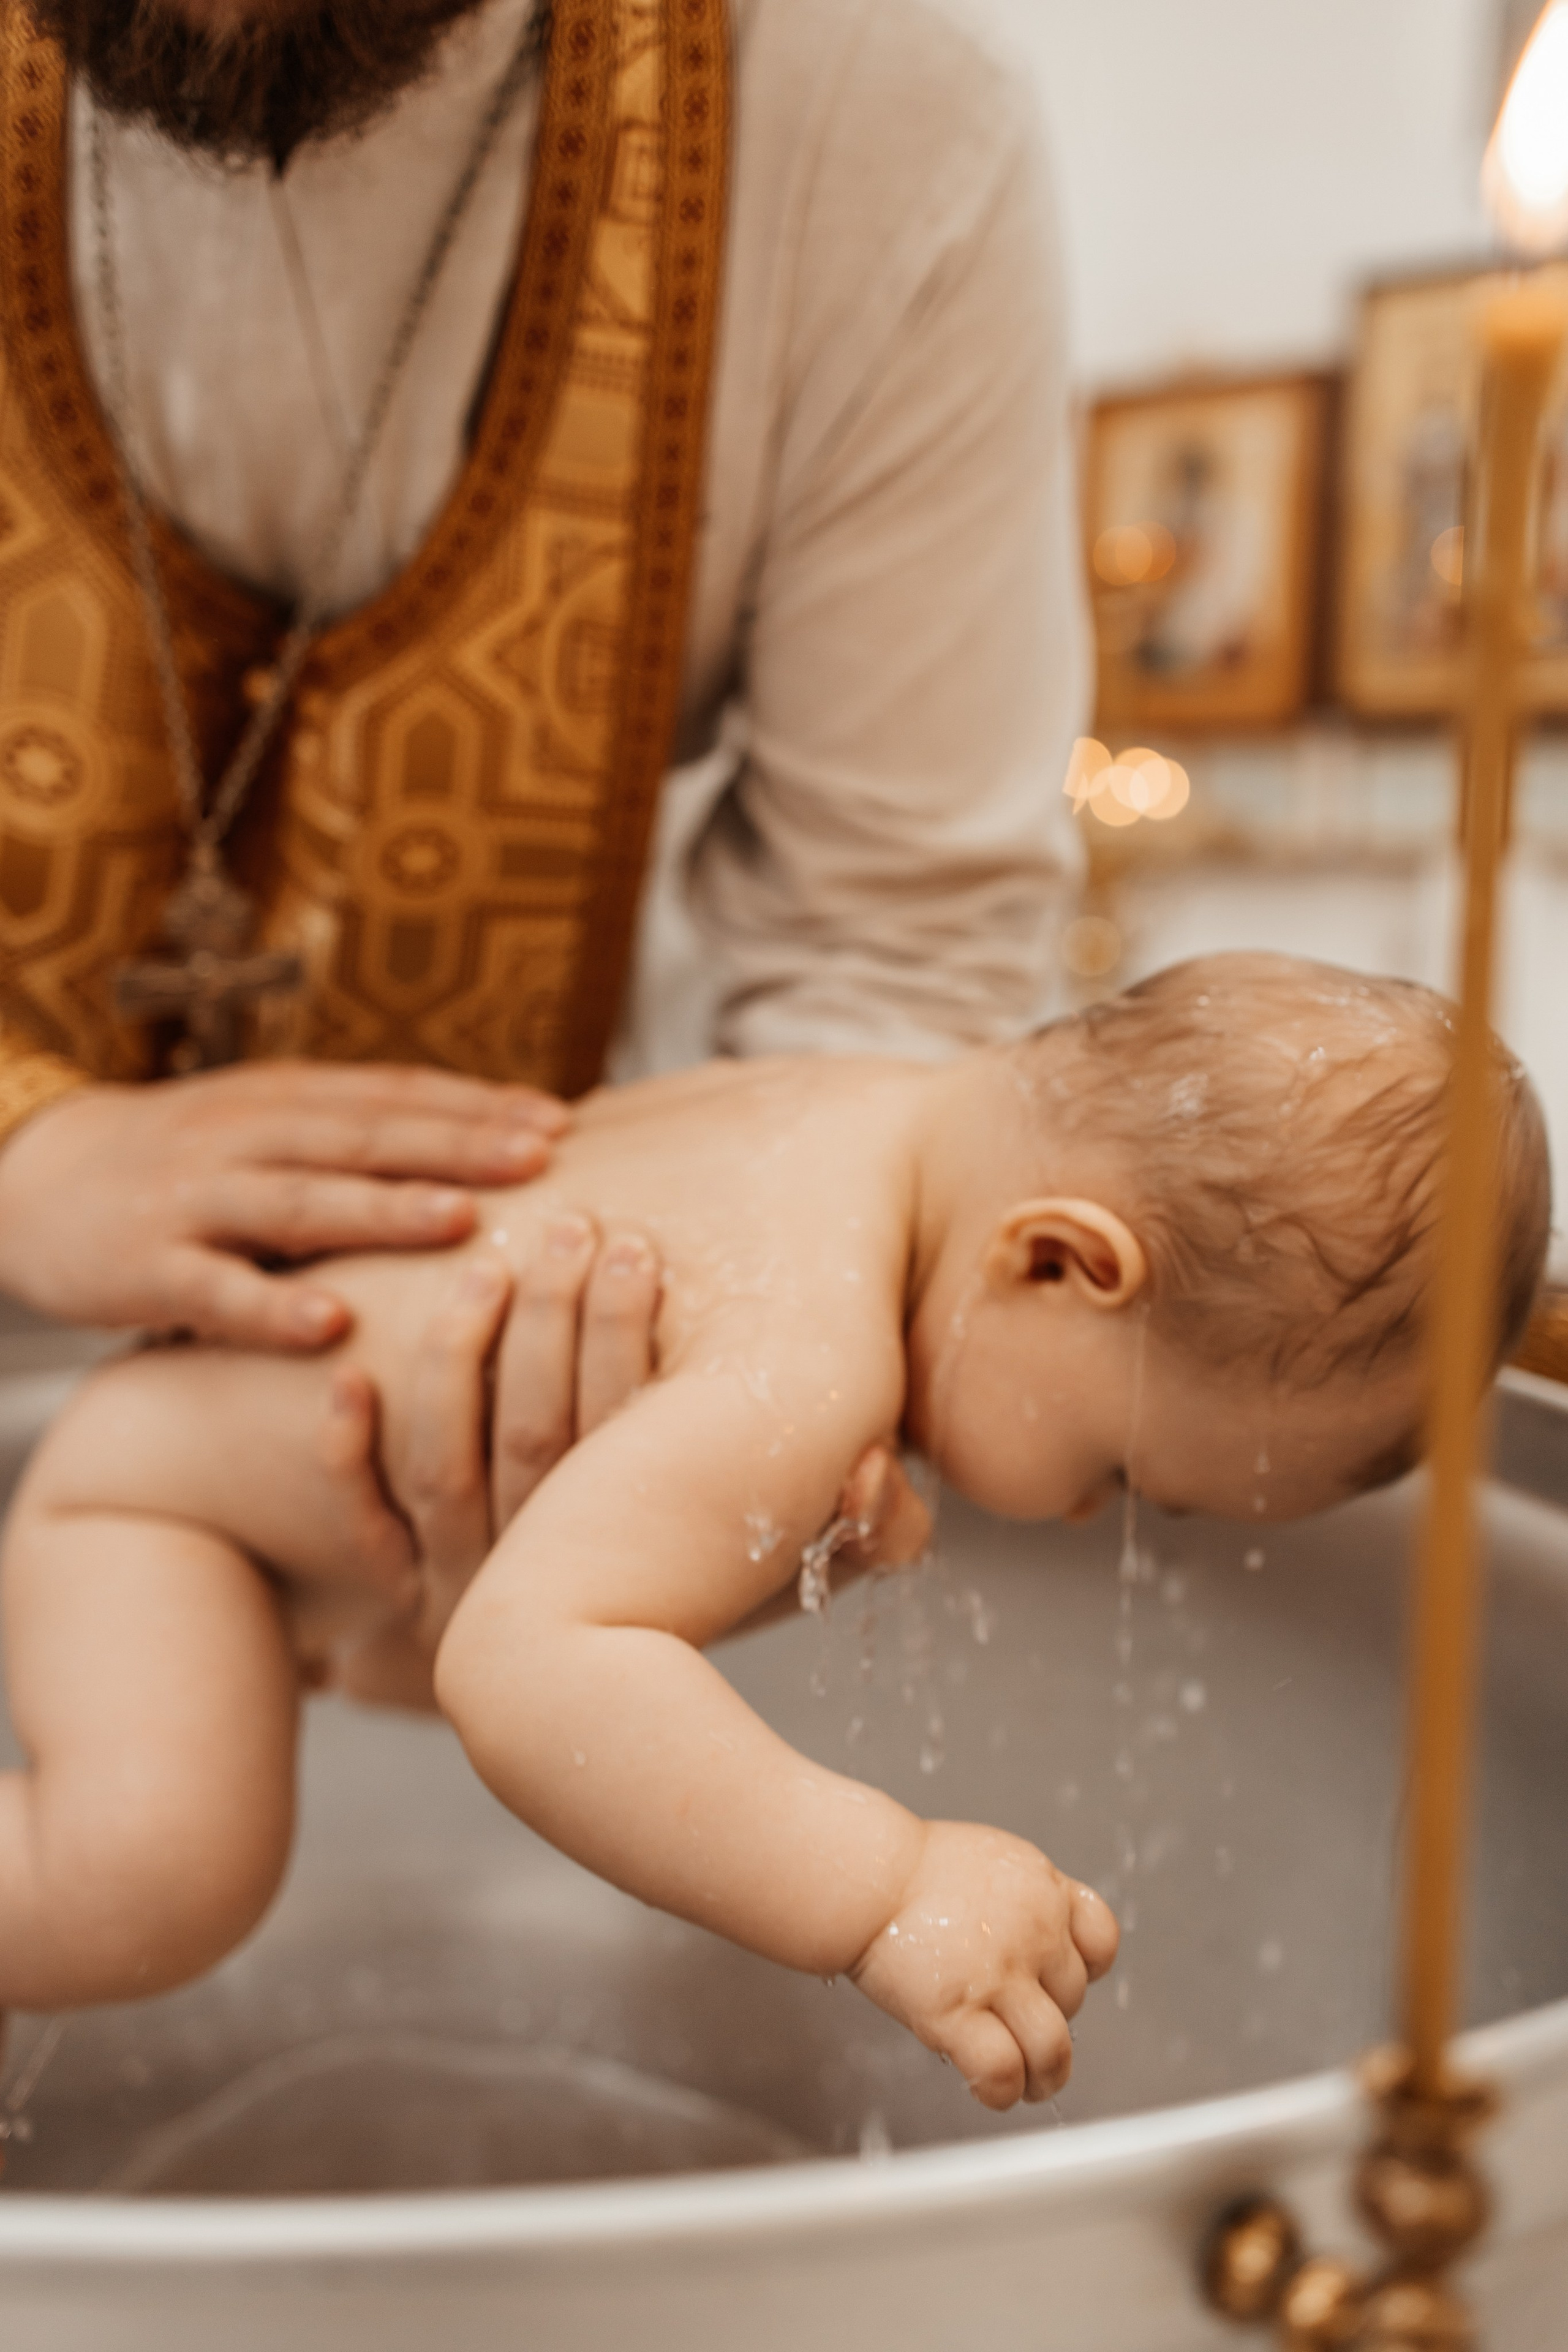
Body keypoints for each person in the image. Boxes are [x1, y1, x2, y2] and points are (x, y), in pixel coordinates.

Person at [1, 954, 1549, 2111]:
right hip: (164, 1521)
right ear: (1063, 1265)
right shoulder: (809, 1357)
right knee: (155, 1881)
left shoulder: (860, 1097)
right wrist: (882, 1888)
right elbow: (527, 1671)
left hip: (295, 1492)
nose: (1083, 1517)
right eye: (1123, 1474)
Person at [0, 0, 1084, 1393]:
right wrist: (27, 1146)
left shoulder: (869, 106)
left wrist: (684, 1365)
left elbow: (891, 966)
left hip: (495, 1376)